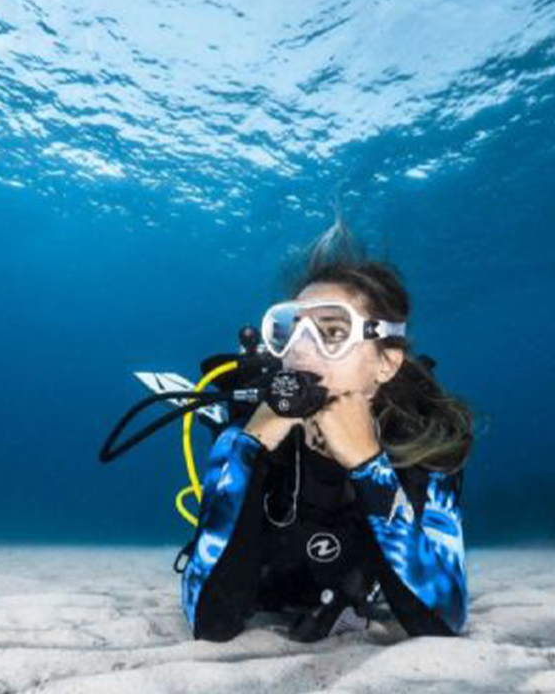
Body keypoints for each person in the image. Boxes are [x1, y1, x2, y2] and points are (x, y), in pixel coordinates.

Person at [179, 239, 474, 642]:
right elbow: (209, 622)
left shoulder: (422, 443)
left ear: (386, 363)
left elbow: (444, 620)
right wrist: (247, 449)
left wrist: (370, 465)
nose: (300, 350)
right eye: (289, 330)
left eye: (333, 331)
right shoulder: (242, 439)